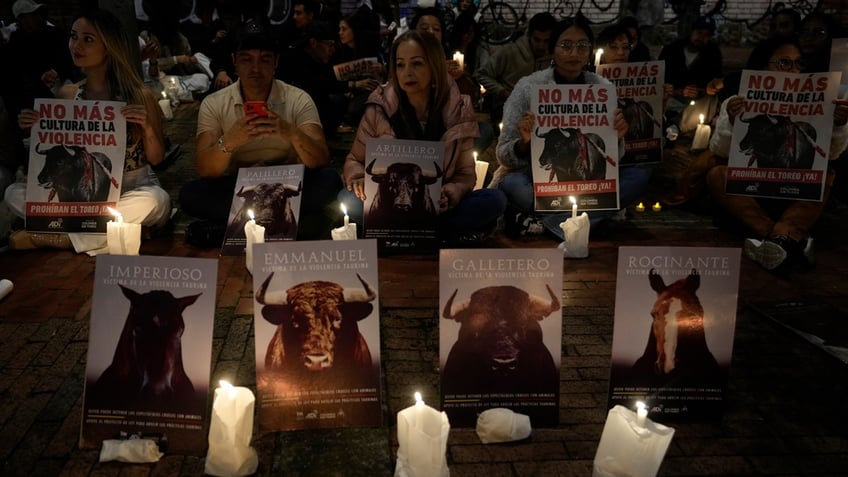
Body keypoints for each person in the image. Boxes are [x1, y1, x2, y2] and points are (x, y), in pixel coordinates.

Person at [6, 8, 171, 252]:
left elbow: (157, 158)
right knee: (12, 192)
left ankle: (55, 237)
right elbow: (53, 150)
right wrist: (34, 127)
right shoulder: (67, 95)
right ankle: (119, 233)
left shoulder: (138, 95)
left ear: (109, 46)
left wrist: (146, 126)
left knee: (156, 201)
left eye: (88, 39)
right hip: (78, 197)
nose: (77, 45)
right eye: (74, 37)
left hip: (130, 188)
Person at [178, 18, 342, 242]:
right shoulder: (214, 103)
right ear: (234, 62)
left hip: (287, 186)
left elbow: (321, 159)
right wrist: (230, 141)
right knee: (190, 195)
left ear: (276, 62)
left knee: (329, 181)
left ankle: (234, 229)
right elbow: (206, 170)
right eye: (247, 60)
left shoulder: (298, 98)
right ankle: (292, 226)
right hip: (240, 189)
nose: (255, 69)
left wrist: (290, 132)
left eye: (264, 59)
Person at [339, 30, 506, 245]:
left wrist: (452, 193)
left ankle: (405, 233)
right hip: (390, 203)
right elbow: (354, 159)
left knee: (495, 200)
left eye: (416, 63)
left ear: (434, 66)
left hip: (436, 205)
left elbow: (466, 174)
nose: (407, 72)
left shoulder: (458, 109)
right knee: (347, 199)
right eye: (400, 65)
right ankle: (442, 236)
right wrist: (357, 178)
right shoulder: (378, 108)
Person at [706, 35, 848, 271]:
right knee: (716, 174)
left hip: (794, 190)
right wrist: (733, 121)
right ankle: (788, 238)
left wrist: (838, 126)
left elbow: (830, 155)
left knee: (828, 175)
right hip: (752, 190)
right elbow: (719, 150)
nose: (793, 70)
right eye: (784, 63)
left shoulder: (824, 103)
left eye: (798, 63)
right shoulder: (737, 101)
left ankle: (774, 242)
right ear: (763, 67)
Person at [491, 17, 629, 239]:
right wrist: (523, 144)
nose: (574, 53)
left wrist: (618, 138)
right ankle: (581, 222)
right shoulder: (527, 88)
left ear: (590, 50)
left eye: (582, 45)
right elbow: (503, 155)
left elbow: (612, 158)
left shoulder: (603, 89)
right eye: (565, 45)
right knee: (513, 184)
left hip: (587, 185)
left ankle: (545, 225)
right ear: (552, 49)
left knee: (636, 182)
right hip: (540, 184)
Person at [474, 12, 557, 128]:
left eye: (546, 41)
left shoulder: (555, 57)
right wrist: (502, 92)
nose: (541, 46)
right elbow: (481, 74)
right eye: (537, 40)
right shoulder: (510, 51)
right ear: (529, 35)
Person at [2, 0, 77, 122]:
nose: (31, 20)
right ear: (20, 21)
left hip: (60, 98)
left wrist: (57, 72)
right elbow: (11, 79)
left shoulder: (57, 34)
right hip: (31, 104)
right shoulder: (15, 42)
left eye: (34, 14)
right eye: (25, 17)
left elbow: (70, 60)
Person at [280, 21, 348, 136]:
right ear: (313, 43)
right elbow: (318, 85)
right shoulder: (292, 60)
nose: (332, 50)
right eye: (329, 45)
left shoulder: (321, 59)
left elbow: (331, 81)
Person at [659, 15, 723, 115]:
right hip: (672, 100)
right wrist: (679, 91)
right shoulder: (672, 50)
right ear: (692, 31)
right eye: (699, 32)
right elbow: (660, 80)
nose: (701, 38)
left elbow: (717, 81)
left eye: (706, 35)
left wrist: (701, 91)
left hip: (700, 103)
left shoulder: (713, 53)